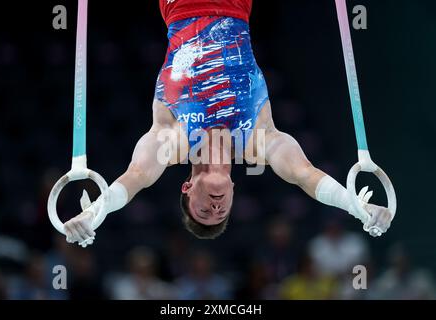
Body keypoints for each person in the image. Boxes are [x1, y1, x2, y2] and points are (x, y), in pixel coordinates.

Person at [63, 0, 392, 245]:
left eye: (203, 211)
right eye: (221, 212)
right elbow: (305, 175)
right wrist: (357, 206)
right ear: (233, 192)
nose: (215, 208)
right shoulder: (257, 142)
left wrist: (95, 212)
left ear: (187, 189)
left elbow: (135, 178)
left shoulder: (171, 142)